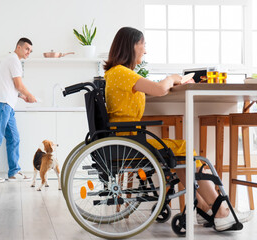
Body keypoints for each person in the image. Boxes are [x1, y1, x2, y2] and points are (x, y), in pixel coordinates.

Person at [103, 27, 252, 231]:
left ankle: (205, 207)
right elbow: (159, 89)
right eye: (143, 45)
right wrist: (173, 77)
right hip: (131, 140)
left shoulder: (116, 74)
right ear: (132, 45)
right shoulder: (121, 72)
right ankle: (220, 210)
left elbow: (151, 89)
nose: (145, 51)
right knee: (184, 150)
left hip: (128, 137)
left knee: (180, 151)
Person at [0, 38, 36, 183]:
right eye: (27, 49)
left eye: (30, 50)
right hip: (2, 104)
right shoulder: (14, 60)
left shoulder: (12, 60)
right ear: (18, 47)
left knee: (14, 138)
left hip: (7, 105)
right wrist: (30, 95)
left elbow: (10, 85)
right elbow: (18, 84)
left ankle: (14, 172)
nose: (28, 52)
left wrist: (22, 97)